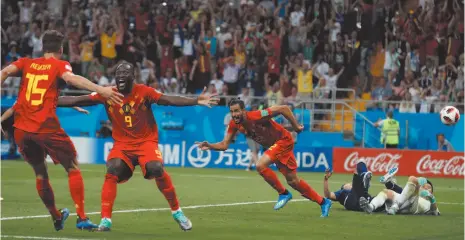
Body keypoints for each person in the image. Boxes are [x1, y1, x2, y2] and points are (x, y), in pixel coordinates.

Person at [55, 61, 219, 232]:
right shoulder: (108, 93)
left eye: (125, 75)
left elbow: (168, 99)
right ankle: (105, 220)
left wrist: (195, 101)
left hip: (146, 142)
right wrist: (48, 100)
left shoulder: (144, 92)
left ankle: (177, 211)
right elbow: (77, 99)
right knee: (112, 168)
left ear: (133, 77)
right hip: (122, 145)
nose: (120, 78)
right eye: (118, 75)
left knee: (156, 167)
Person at [0, 30, 123, 231]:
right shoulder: (59, 65)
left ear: (42, 47)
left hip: (21, 129)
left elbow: (3, 72)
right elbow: (72, 79)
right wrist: (102, 90)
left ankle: (57, 216)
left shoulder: (26, 63)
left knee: (40, 173)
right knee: (72, 167)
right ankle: (82, 218)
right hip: (45, 127)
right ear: (61, 49)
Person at [195, 99, 333, 217]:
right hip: (276, 147)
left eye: (237, 111)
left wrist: (296, 127)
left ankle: (283, 193)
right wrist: (210, 145)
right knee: (293, 181)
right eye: (232, 111)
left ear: (244, 110)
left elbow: (283, 108)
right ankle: (323, 202)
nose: (234, 114)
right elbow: (225, 145)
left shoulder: (256, 115)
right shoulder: (234, 124)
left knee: (260, 165)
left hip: (283, 140)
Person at [360, 167, 440, 216]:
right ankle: (370, 207)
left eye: (428, 187)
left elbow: (435, 212)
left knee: (412, 178)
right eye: (424, 186)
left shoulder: (428, 202)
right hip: (403, 201)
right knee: (386, 192)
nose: (425, 188)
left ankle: (395, 204)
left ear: (432, 192)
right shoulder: (414, 190)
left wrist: (431, 197)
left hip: (413, 206)